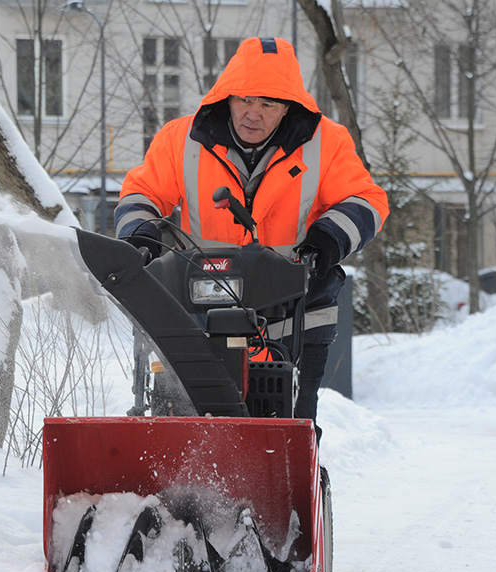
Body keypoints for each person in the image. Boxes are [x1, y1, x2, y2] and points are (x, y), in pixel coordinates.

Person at [116, 36, 389, 427]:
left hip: (297, 311)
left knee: (291, 425)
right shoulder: (182, 139)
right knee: (184, 421)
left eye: (268, 103)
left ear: (288, 107)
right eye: (244, 99)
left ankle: (289, 483)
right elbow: (142, 191)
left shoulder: (326, 143)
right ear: (226, 96)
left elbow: (365, 200)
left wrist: (327, 240)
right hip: (202, 311)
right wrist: (141, 234)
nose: (253, 114)